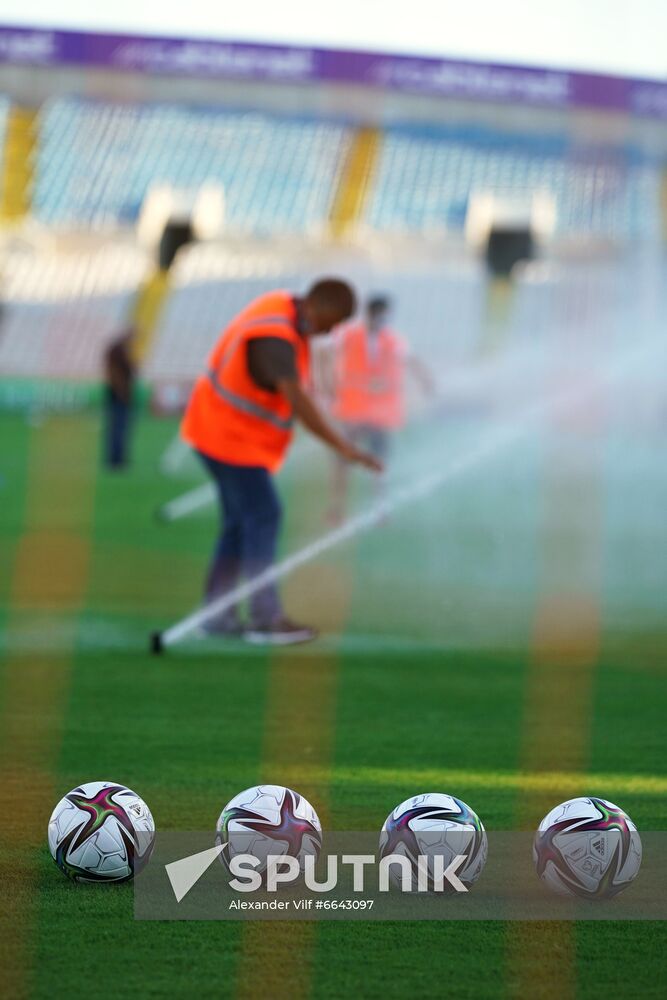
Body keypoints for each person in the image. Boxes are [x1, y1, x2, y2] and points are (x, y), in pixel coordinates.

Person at [181, 279, 382, 645]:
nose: (329, 333)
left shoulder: (281, 307)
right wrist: (343, 447)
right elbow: (299, 402)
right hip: (228, 438)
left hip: (217, 431)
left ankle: (218, 614)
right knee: (264, 514)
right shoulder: (275, 338)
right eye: (330, 323)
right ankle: (264, 618)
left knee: (239, 523)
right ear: (313, 309)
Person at [326, 295, 434, 523]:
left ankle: (380, 508)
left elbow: (411, 360)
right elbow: (324, 352)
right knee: (343, 461)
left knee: (379, 461)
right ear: (370, 313)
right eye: (380, 314)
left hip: (380, 414)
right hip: (352, 411)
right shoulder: (349, 335)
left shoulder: (393, 340)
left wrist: (426, 381)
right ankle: (337, 508)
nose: (384, 319)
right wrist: (327, 384)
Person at [103, 330, 136, 468]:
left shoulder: (116, 351)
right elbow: (126, 371)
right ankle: (116, 459)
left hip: (118, 393)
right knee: (118, 427)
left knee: (117, 427)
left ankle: (116, 458)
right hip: (119, 394)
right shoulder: (119, 351)